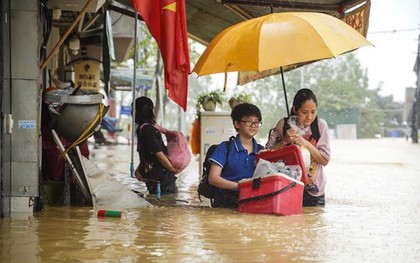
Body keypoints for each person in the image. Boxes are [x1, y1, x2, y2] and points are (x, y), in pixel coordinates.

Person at [266, 88, 330, 207]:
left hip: (314, 192)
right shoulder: (283, 125)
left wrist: (305, 143)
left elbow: (324, 160)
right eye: (304, 112)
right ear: (295, 109)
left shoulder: (321, 126)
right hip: (286, 187)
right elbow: (266, 159)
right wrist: (284, 141)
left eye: (313, 112)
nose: (309, 117)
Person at [208, 103, 264, 208]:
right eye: (248, 121)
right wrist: (239, 187)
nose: (253, 125)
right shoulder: (225, 148)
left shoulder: (261, 151)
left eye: (256, 122)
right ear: (237, 124)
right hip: (224, 204)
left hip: (251, 203)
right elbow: (213, 178)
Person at [133, 96, 180, 195]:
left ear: (138, 112)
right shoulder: (142, 129)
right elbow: (148, 153)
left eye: (133, 110)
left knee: (164, 207)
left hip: (163, 181)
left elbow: (160, 155)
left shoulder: (147, 130)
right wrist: (139, 168)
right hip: (155, 179)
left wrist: (172, 169)